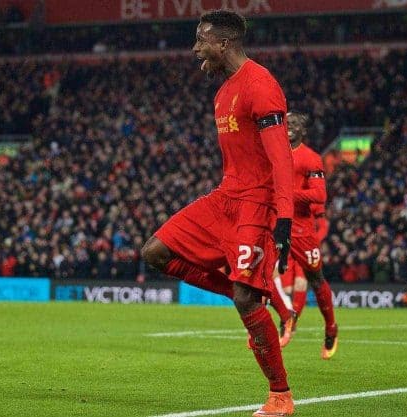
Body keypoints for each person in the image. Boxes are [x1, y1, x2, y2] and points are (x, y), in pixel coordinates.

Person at [141, 10, 295, 416]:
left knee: (247, 299)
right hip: (225, 197)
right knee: (155, 252)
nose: (195, 48)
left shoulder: (261, 85)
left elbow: (281, 159)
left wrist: (283, 215)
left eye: (201, 39)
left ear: (223, 42)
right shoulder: (222, 92)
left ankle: (280, 395)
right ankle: (247, 297)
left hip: (256, 203)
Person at [280, 111, 338, 359]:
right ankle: (284, 321)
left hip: (302, 230)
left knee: (315, 279)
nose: (289, 127)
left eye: (294, 124)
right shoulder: (274, 153)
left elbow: (319, 196)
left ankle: (331, 328)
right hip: (275, 224)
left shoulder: (311, 158)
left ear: (303, 130)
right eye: (286, 123)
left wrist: (289, 195)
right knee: (258, 272)